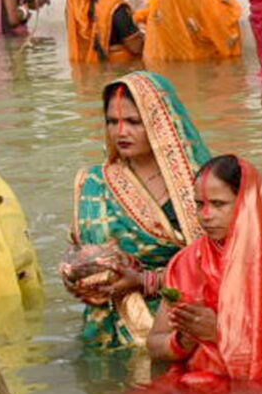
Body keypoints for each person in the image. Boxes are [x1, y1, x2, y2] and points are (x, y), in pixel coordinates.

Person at [146, 155, 262, 383]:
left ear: (246, 203)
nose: (205, 216)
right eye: (200, 205)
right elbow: (154, 345)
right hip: (196, 384)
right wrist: (182, 341)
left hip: (259, 389)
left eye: (218, 204)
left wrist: (220, 332)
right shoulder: (186, 262)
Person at [65, 72, 210, 350]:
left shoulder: (200, 181)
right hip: (110, 321)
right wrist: (78, 272)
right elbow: (82, 246)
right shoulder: (95, 183)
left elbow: (220, 261)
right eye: (112, 122)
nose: (121, 132)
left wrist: (146, 282)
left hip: (179, 320)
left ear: (159, 123)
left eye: (133, 122)